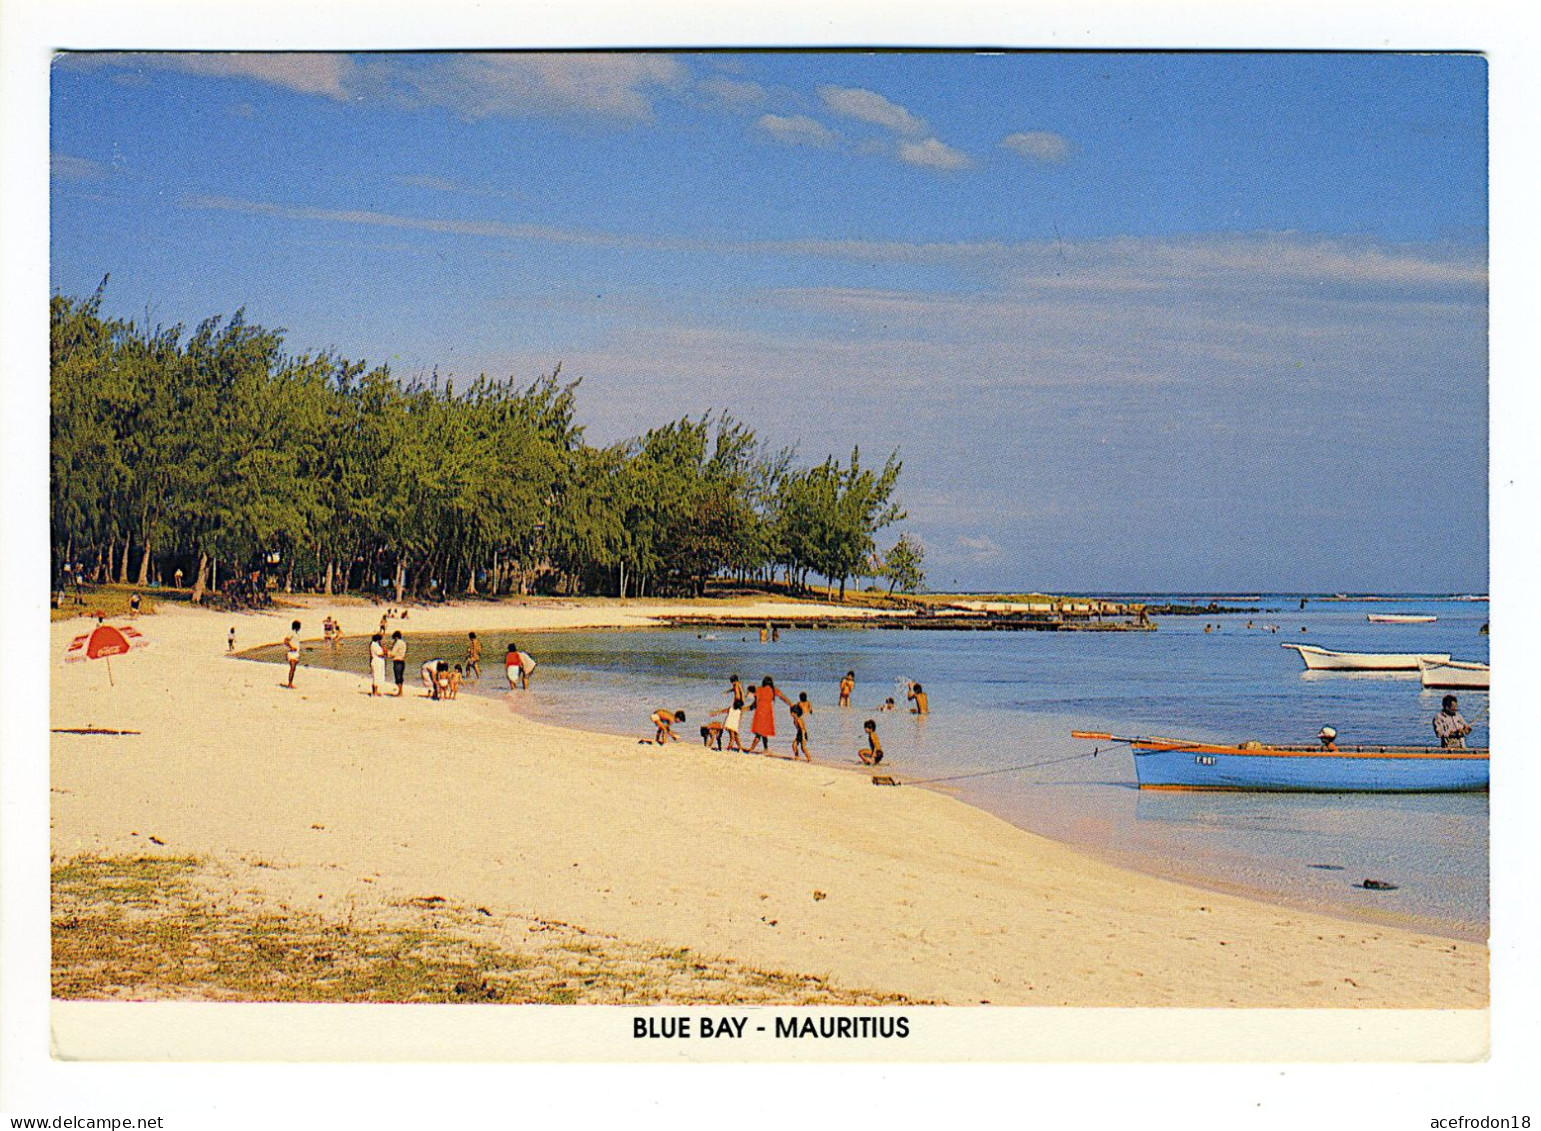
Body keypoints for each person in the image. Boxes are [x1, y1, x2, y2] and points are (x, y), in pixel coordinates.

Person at [745, 676, 792, 754]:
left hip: (759, 712)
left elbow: (752, 697)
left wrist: (747, 703)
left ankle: (763, 748)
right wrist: (790, 705)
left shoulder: (759, 689)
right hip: (767, 713)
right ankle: (753, 749)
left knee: (761, 732)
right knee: (762, 732)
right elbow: (783, 698)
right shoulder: (773, 691)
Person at [283, 620, 302, 688]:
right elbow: (285, 641)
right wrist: (291, 647)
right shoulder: (291, 633)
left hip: (296, 653)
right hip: (292, 653)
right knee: (292, 668)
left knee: (293, 669)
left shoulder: (297, 634)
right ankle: (289, 683)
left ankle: (290, 683)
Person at [390, 631, 407, 697]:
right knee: (400, 676)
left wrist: (388, 653)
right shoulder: (403, 643)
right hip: (402, 660)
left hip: (397, 661)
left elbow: (393, 653)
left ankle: (400, 692)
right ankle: (401, 691)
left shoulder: (397, 643)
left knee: (398, 677)